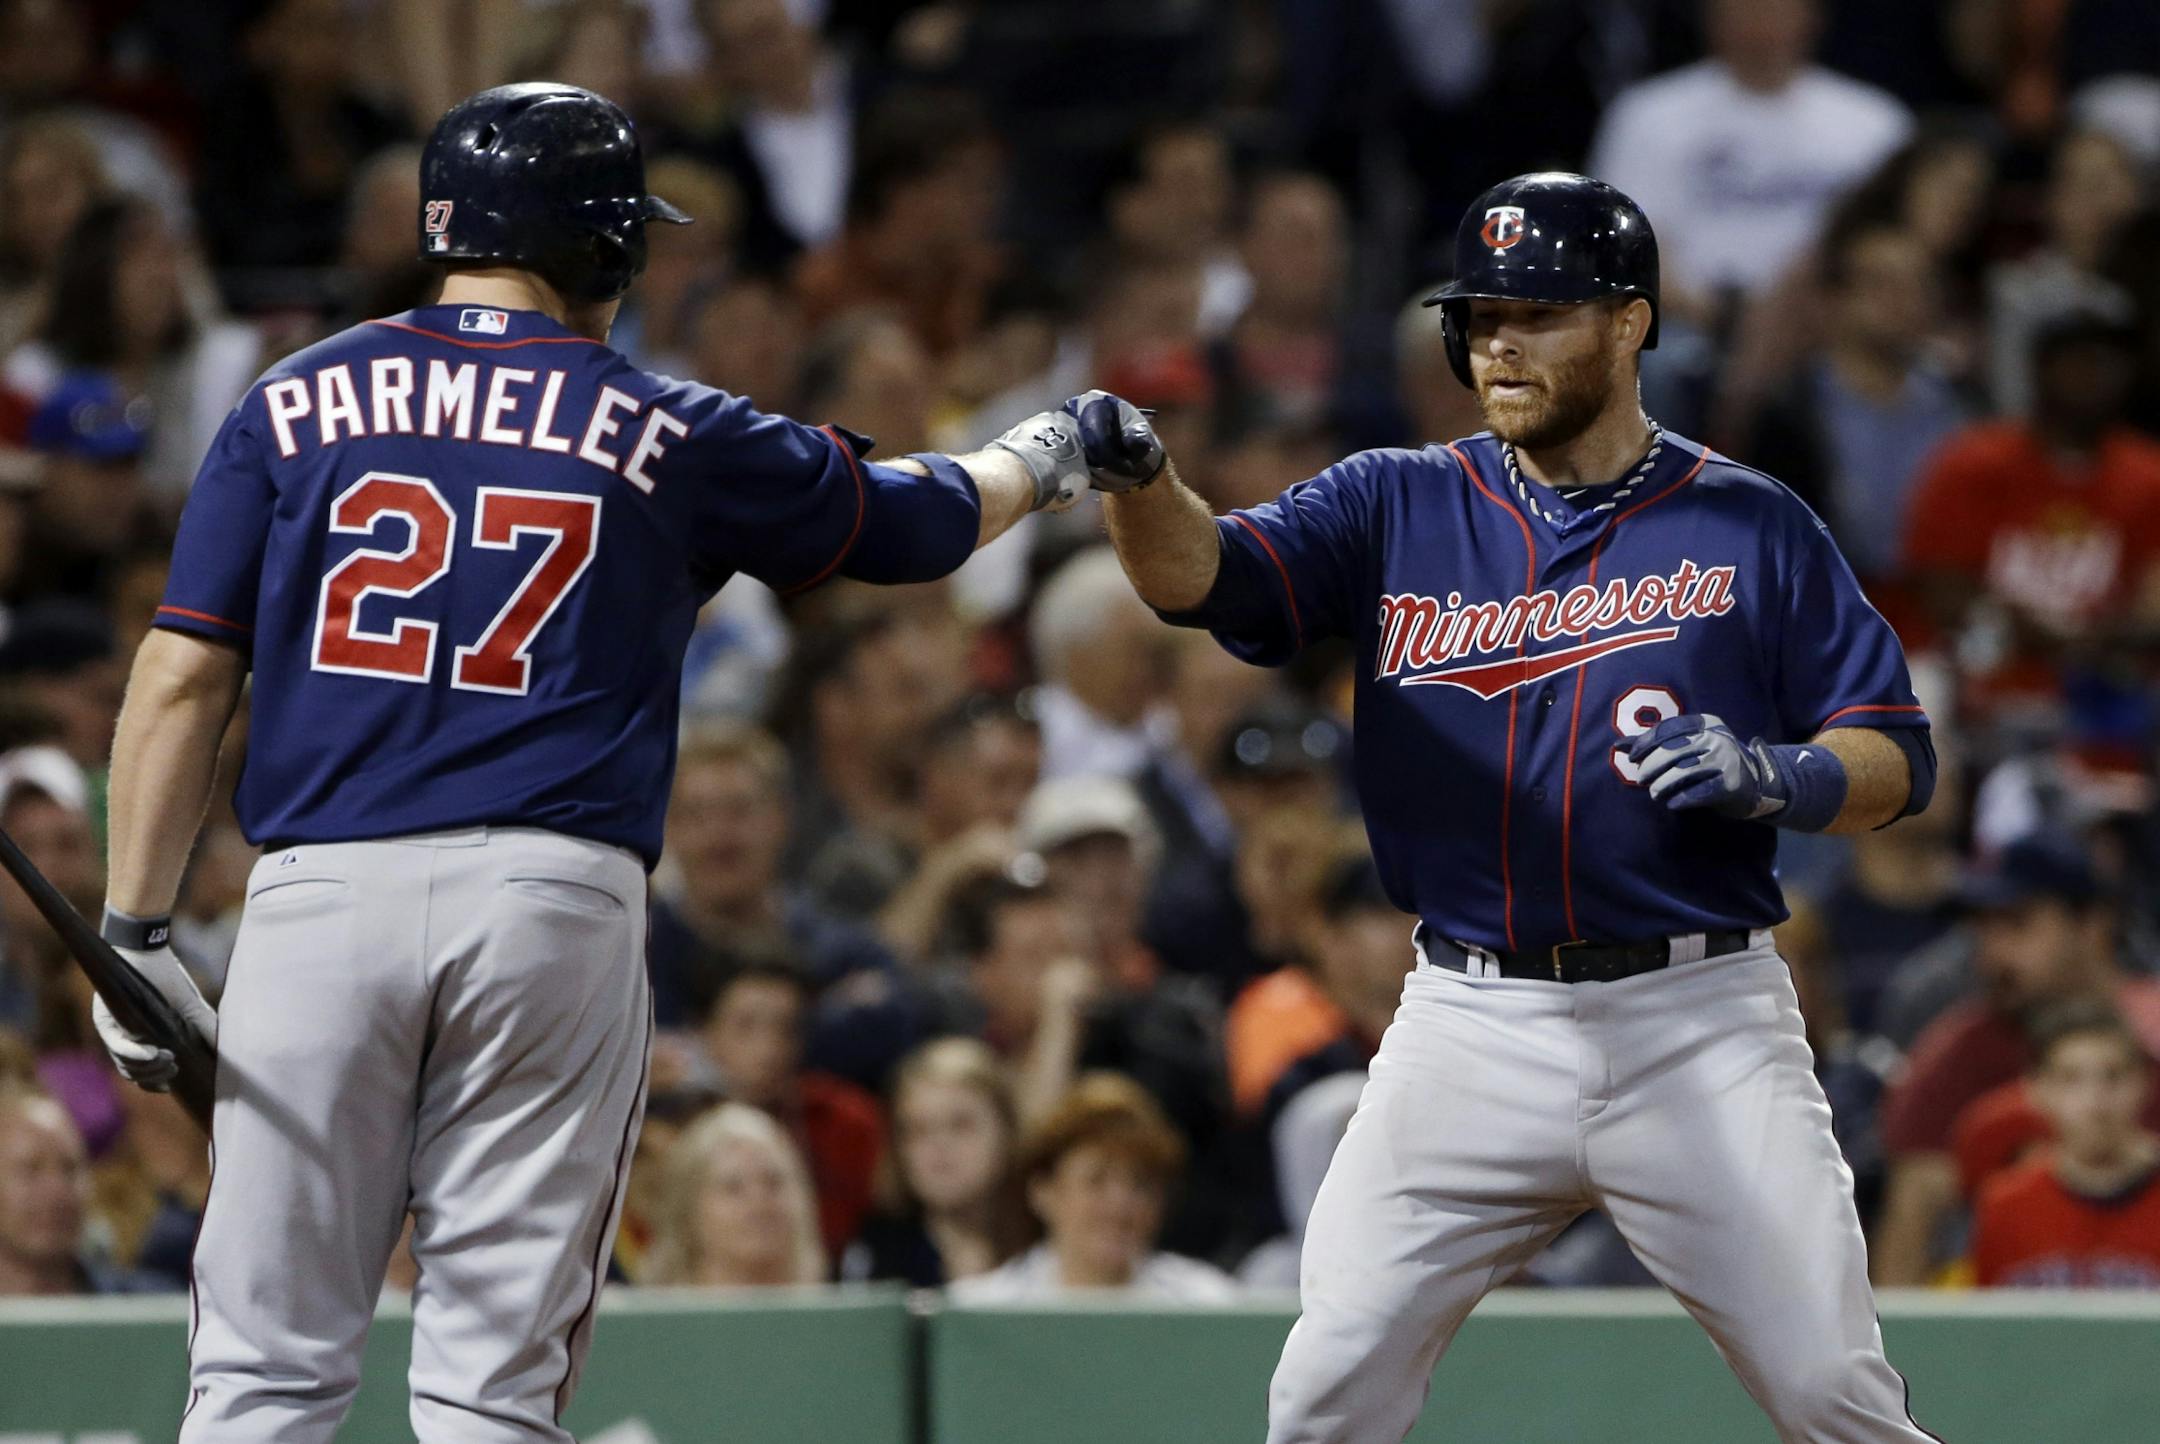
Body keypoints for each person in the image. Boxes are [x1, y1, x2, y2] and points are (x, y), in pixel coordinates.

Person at [88, 82, 1113, 1443]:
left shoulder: (290, 398)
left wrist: (135, 928)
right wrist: (1051, 451)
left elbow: (181, 676)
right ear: (605, 243)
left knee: (263, 1371)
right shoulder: (670, 424)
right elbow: (916, 524)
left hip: (318, 897)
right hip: (547, 897)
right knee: (490, 1386)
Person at [1074, 172, 1941, 1441]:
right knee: (1323, 1391)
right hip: (1471, 1017)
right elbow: (1202, 578)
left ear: (1631, 324)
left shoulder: (1751, 521)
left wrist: (1782, 774)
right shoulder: (1395, 500)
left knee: (1830, 1390)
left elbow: (1896, 753)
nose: (1500, 345)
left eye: (1538, 314)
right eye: (1482, 318)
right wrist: (1143, 483)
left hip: (1696, 1016)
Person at [1873, 833, 2160, 1285]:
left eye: (2016, 923)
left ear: (2092, 926)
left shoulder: (2152, 1034)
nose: (1993, 952)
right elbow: (1910, 1227)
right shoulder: (1953, 1055)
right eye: (1983, 929)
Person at [1902, 299, 2160, 718]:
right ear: (2041, 367)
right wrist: (2031, 630)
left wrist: (2093, 639)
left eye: (2110, 362)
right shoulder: (1972, 461)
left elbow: (2153, 608)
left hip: (2106, 692)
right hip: (1982, 681)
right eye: (2079, 360)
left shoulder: (2148, 476)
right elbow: (1940, 591)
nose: (2095, 375)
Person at [1587, 0, 1910, 316]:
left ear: (1812, 15)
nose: (1760, 24)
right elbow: (1621, 243)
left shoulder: (1875, 122)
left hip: (1839, 322)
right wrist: (1718, 317)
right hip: (1689, 322)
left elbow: (1900, 243)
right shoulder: (1648, 114)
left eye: (1774, 8)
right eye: (1744, 8)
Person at [949, 1072, 1236, 1302]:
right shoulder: (982, 1311)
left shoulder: (1208, 1305)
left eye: (1140, 1184)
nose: (1120, 1204)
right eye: (1096, 1181)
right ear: (1043, 1192)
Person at [699, 960, 883, 1259]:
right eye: (745, 1026)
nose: (769, 1048)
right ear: (707, 1034)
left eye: (785, 1028)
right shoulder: (675, 1132)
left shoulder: (848, 1122)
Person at [1971, 999, 2160, 1288]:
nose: (2095, 1102)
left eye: (2114, 1076)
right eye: (2070, 1079)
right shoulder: (2004, 1207)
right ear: (2037, 1089)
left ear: (2144, 1082)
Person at [841, 1036, 1030, 1287]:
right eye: (918, 1130)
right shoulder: (877, 1254)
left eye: (960, 1125)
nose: (939, 1145)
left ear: (1007, 1130)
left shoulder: (1047, 1237)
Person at [639, 1102, 827, 1286]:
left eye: (774, 1182)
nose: (759, 1201)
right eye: (733, 1187)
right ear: (688, 1210)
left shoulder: (835, 1303)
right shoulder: (642, 1305)